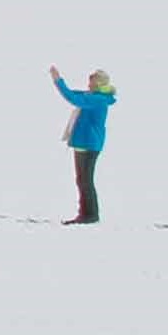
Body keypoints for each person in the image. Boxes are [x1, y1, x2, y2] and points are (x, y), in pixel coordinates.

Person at [50, 66, 117, 222]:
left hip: (88, 143)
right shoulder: (94, 96)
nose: (88, 84)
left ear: (99, 83)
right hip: (85, 142)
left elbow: (72, 98)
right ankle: (87, 213)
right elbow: (74, 94)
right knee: (83, 179)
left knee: (84, 180)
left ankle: (89, 215)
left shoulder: (97, 99)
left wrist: (57, 79)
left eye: (91, 81)